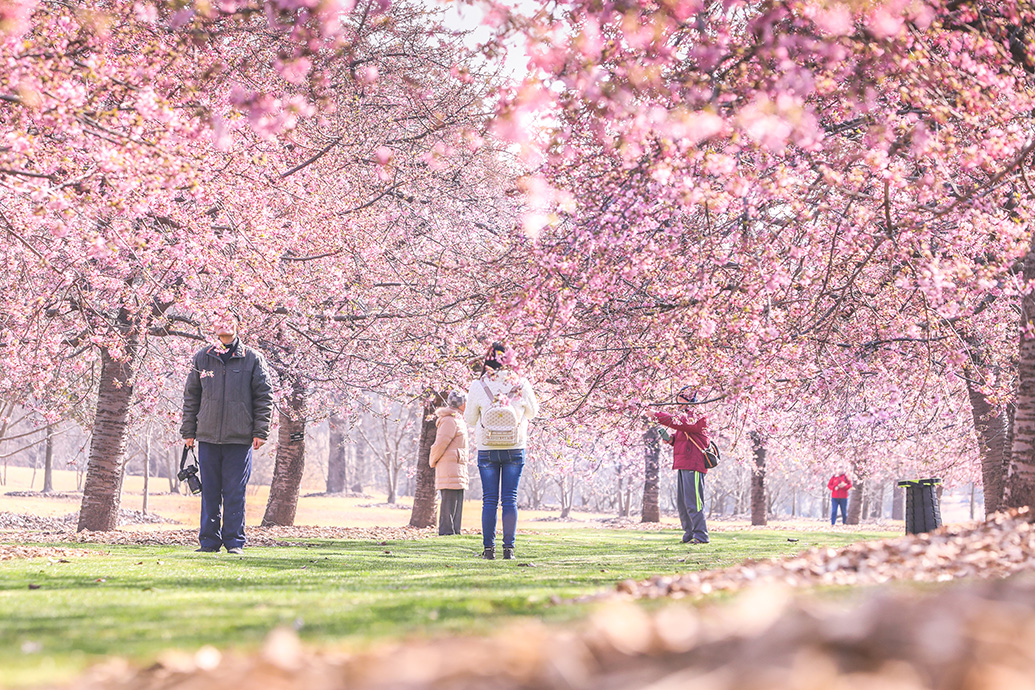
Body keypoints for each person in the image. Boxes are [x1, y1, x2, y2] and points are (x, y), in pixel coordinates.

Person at [180, 312, 273, 554]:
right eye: (218, 319)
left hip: (239, 437)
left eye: (227, 320)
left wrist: (260, 431)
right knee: (209, 492)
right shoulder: (203, 357)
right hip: (208, 436)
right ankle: (209, 542)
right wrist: (189, 431)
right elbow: (191, 396)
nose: (222, 324)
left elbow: (264, 397)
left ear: (237, 325)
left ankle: (234, 542)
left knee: (234, 492)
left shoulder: (253, 358)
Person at [464, 342, 539, 560]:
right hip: (514, 446)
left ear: (487, 359)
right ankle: (509, 550)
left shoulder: (478, 385)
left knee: (489, 500)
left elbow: (469, 419)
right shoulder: (521, 383)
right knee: (509, 499)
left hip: (487, 448)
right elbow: (533, 413)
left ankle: (489, 550)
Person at [652, 386, 710, 545]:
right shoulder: (684, 416)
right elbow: (682, 434)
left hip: (694, 463)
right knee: (683, 503)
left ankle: (701, 535)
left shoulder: (697, 415)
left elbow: (684, 425)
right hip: (683, 462)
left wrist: (656, 415)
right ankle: (689, 533)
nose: (678, 404)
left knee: (694, 501)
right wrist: (671, 440)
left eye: (681, 400)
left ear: (689, 399)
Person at [429, 390, 470, 536]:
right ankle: (447, 531)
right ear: (462, 404)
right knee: (449, 499)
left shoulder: (457, 419)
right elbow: (440, 444)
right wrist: (432, 460)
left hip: (456, 464)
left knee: (456, 498)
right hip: (450, 465)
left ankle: (454, 530)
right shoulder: (449, 420)